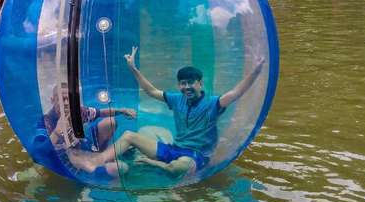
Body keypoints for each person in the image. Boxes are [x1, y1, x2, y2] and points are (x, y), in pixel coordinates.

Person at [74, 46, 265, 178]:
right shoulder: (176, 98)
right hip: (174, 148)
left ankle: (153, 164)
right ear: (179, 85)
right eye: (183, 83)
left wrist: (256, 70)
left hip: (195, 156)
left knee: (180, 166)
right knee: (129, 136)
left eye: (191, 82)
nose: (187, 86)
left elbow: (237, 92)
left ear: (200, 83)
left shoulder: (213, 103)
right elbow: (150, 91)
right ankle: (95, 161)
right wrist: (133, 68)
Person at [37, 84, 136, 178]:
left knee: (110, 122)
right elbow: (39, 152)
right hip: (71, 157)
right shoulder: (46, 121)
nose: (66, 103)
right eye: (62, 99)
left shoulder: (79, 112)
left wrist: (122, 111)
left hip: (83, 147)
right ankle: (98, 168)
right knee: (120, 168)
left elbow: (100, 113)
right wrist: (56, 133)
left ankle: (104, 154)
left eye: (69, 99)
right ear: (52, 100)